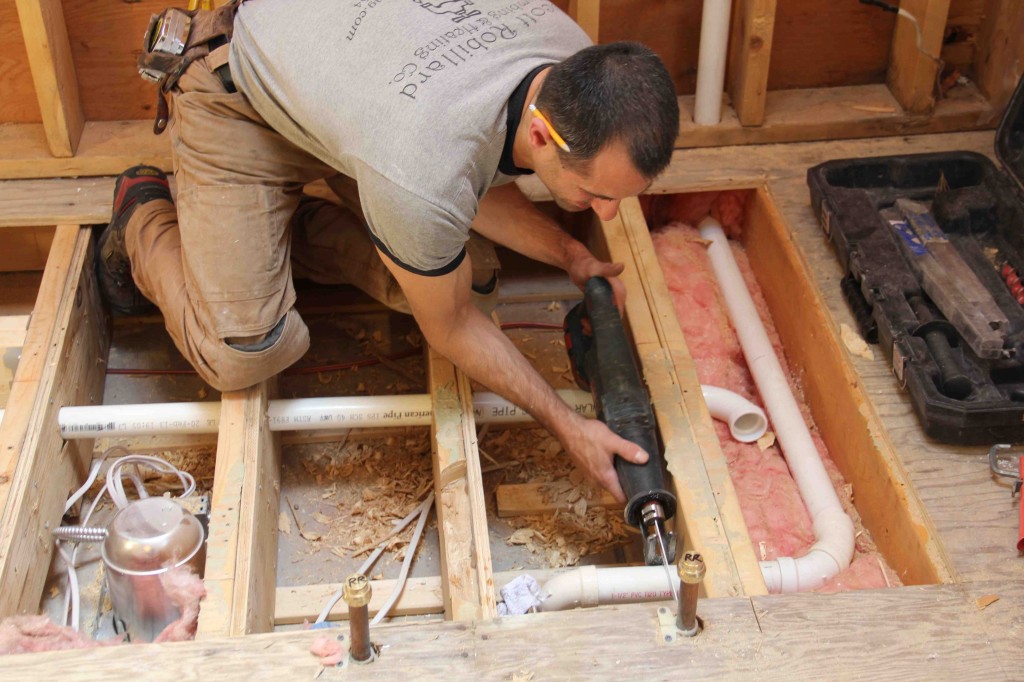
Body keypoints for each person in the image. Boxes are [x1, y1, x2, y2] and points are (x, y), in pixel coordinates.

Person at [96, 0, 680, 501]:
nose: (609, 213)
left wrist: (569, 254)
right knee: (244, 352)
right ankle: (143, 211)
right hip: (237, 98)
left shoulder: (571, 59)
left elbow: (469, 171)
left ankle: (269, 231)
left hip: (359, 97)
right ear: (540, 134)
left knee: (472, 274)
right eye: (596, 194)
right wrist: (569, 424)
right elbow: (449, 322)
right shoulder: (421, 166)